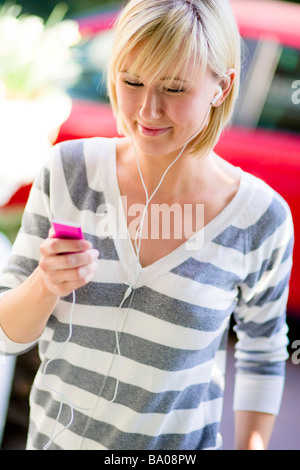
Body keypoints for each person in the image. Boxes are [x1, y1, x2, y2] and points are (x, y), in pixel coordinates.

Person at [0, 0, 294, 451]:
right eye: (132, 81)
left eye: (175, 89)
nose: (148, 111)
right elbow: (8, 337)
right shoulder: (68, 171)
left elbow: (263, 352)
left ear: (222, 86)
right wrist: (45, 282)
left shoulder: (261, 217)